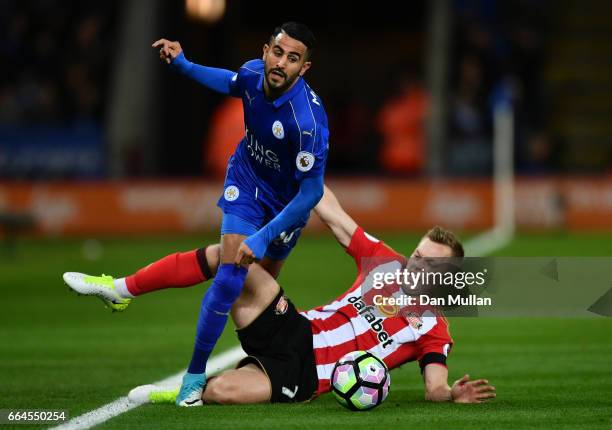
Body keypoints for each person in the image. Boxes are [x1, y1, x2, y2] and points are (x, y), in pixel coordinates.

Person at [65, 187, 496, 405]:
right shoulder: (385, 263)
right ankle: (120, 289)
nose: (415, 265)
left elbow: (434, 386)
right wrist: (307, 163)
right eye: (418, 255)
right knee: (231, 256)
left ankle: (180, 391)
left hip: (306, 377)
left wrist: (452, 395)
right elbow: (334, 215)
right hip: (292, 325)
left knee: (222, 394)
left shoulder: (434, 330)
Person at [128, 22, 328, 405]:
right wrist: (184, 65)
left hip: (285, 211)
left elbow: (312, 192)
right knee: (232, 273)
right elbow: (231, 81)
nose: (281, 63)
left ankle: (251, 367)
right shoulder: (254, 72)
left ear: (304, 68)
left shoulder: (307, 123)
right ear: (266, 49)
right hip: (247, 182)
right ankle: (194, 375)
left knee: (257, 300)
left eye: (293, 58)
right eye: (277, 52)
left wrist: (266, 235)